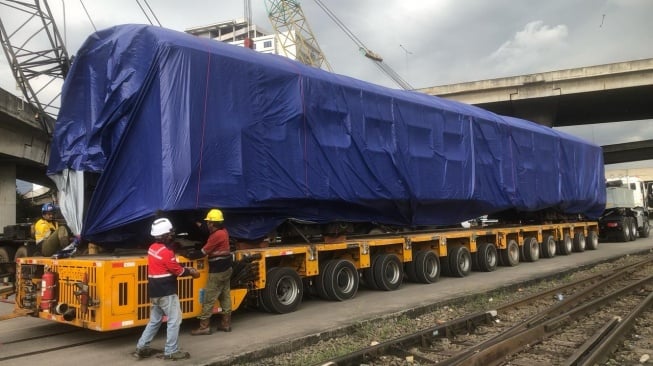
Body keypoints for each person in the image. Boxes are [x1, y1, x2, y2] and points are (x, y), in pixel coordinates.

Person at [133, 217, 200, 360]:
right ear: (164, 235)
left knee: (155, 320)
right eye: (170, 233)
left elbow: (169, 267)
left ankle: (142, 347)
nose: (172, 235)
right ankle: (171, 351)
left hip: (154, 291)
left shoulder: (152, 248)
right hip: (166, 292)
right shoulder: (166, 252)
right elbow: (178, 271)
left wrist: (182, 267)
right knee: (174, 320)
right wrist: (192, 271)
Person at [191, 208, 233, 335]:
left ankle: (204, 327)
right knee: (225, 296)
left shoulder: (216, 236)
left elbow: (203, 252)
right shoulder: (224, 231)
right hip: (226, 268)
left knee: (209, 297)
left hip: (217, 271)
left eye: (209, 222)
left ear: (213, 223)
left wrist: (190, 255)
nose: (207, 224)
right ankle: (226, 324)